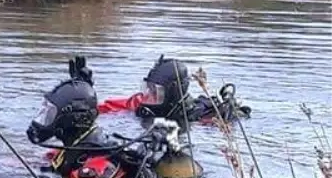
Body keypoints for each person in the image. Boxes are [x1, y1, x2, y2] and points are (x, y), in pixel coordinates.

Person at [26, 56, 188, 178]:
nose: (44, 120)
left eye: (50, 113)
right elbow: (42, 162)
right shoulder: (72, 147)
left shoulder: (97, 164)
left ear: (70, 121)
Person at [96, 55, 251, 124]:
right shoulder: (143, 104)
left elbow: (237, 117)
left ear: (172, 93)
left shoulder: (198, 116)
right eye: (148, 89)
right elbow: (107, 107)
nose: (148, 96)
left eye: (155, 92)